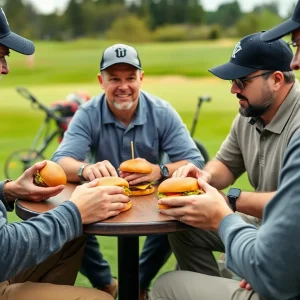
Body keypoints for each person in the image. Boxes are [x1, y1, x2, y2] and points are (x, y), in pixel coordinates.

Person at [149, 6, 300, 300]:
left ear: (277, 80)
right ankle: (220, 286)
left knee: (166, 285)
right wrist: (203, 176)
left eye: (242, 81)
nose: (233, 90)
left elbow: (287, 208)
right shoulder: (249, 112)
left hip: (283, 241)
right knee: (186, 222)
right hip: (265, 232)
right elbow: (226, 164)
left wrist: (229, 200)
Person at [52, 43, 204, 299]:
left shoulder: (162, 111)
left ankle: (138, 284)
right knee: (68, 217)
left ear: (141, 78)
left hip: (152, 200)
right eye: (114, 79)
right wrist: (86, 168)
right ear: (101, 81)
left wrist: (159, 170)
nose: (123, 86)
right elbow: (60, 161)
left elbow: (194, 161)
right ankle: (105, 284)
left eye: (130, 78)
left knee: (175, 212)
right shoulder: (88, 113)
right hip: (104, 197)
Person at [0, 7, 130, 300]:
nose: (6, 68)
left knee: (73, 236)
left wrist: (7, 191)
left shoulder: (162, 112)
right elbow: (2, 253)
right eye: (1, 56)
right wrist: (74, 212)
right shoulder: (88, 112)